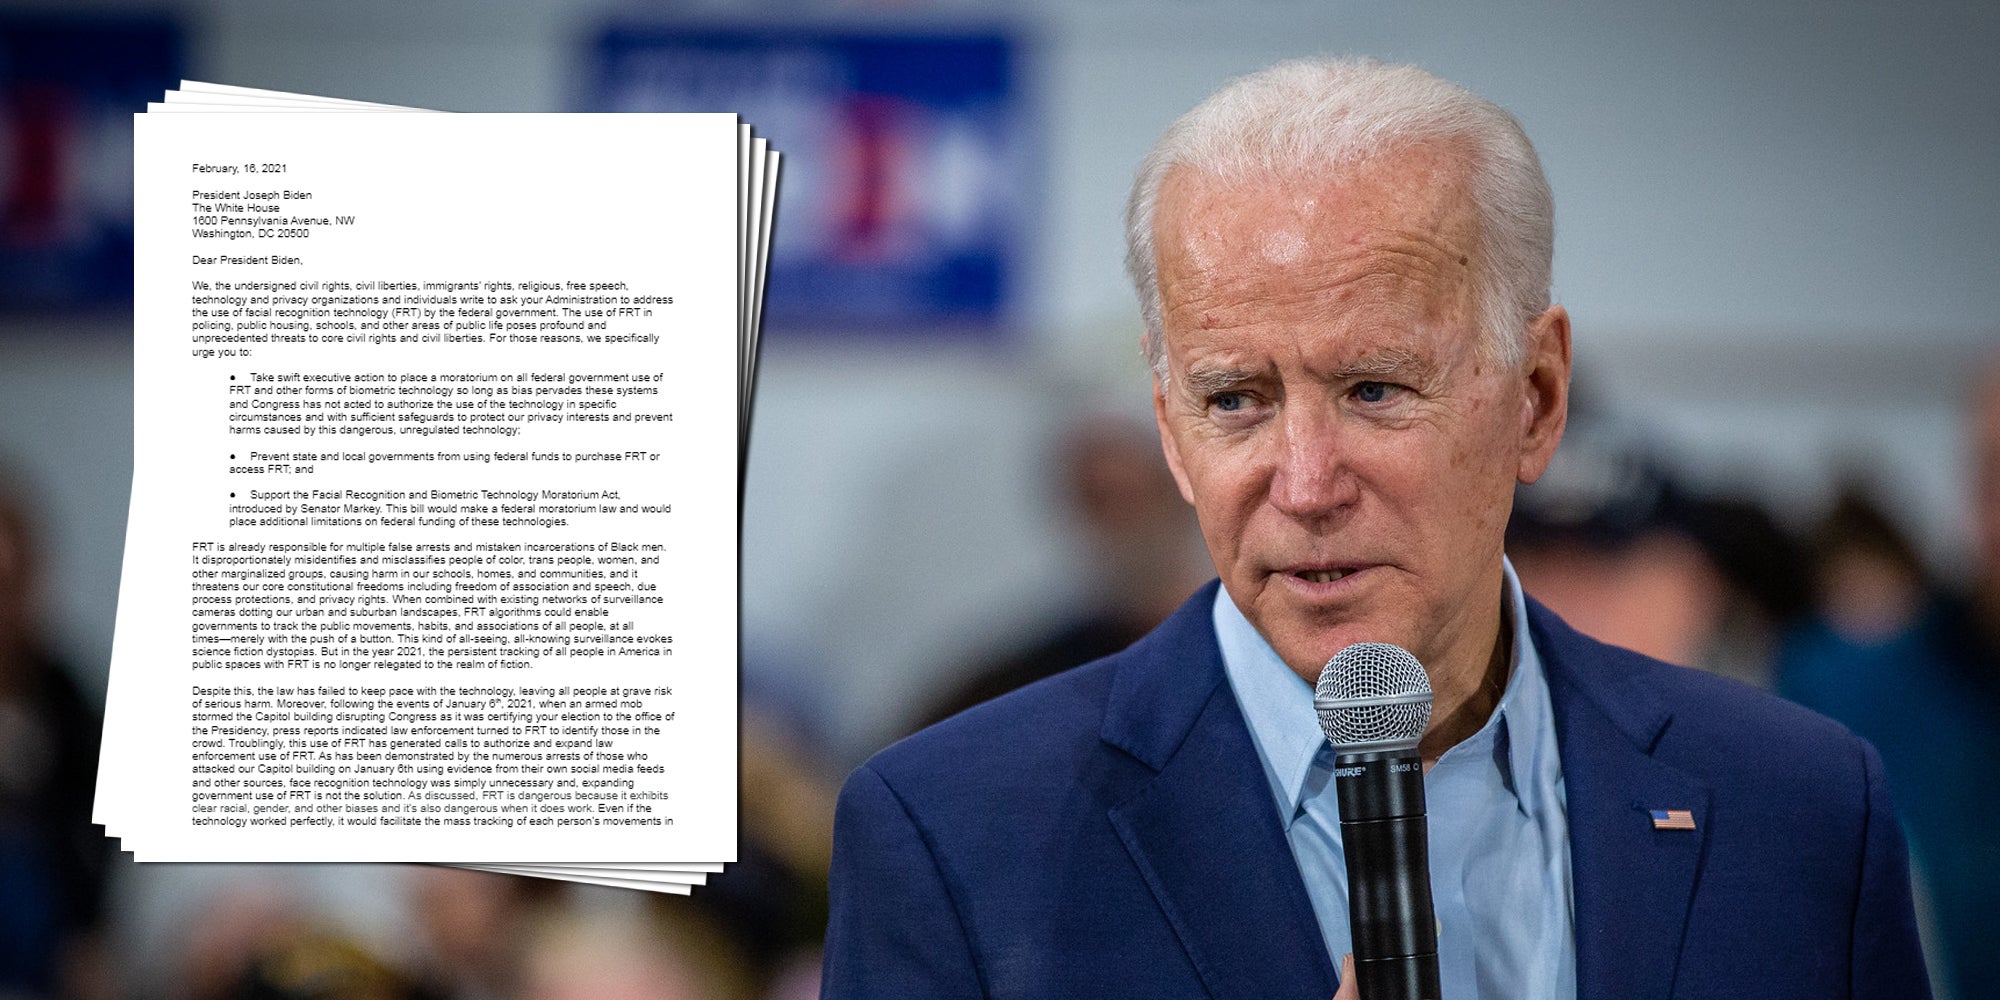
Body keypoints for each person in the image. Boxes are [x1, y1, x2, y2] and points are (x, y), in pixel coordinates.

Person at [821, 59, 1929, 999]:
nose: (1303, 486)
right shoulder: (951, 836)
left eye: (1373, 389)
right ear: (1169, 432)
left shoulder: (1802, 810)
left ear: (1535, 398)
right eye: (1234, 401)